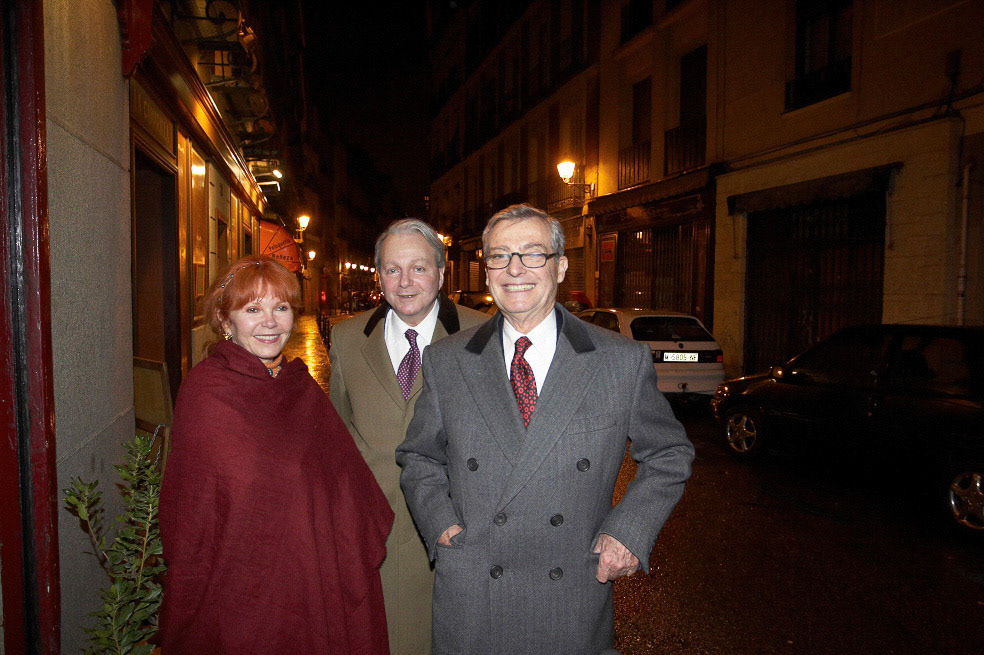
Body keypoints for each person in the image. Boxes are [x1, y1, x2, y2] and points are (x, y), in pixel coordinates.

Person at [396, 205, 695, 654]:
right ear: (487, 269)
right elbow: (419, 456)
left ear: (560, 266)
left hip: (569, 598)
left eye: (533, 254)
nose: (514, 269)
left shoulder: (618, 361)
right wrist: (442, 524)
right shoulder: (447, 359)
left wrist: (629, 530)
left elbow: (669, 453)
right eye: (500, 256)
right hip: (474, 596)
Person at [159, 255, 393, 654]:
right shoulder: (207, 392)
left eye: (280, 308)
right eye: (252, 310)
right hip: (241, 588)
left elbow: (347, 482)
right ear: (225, 318)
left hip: (314, 577)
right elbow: (195, 510)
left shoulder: (300, 387)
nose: (270, 322)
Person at [329, 218, 488, 655]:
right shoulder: (346, 338)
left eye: (418, 268)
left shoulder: (482, 336)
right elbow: (339, 435)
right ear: (379, 276)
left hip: (451, 532)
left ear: (441, 272)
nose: (405, 282)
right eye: (392, 269)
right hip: (371, 534)